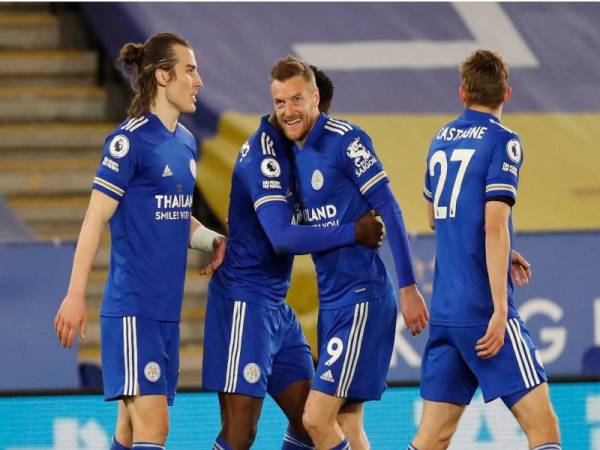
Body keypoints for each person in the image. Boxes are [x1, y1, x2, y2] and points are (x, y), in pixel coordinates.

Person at [54, 33, 226, 450]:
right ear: (163, 76)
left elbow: (173, 212)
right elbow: (95, 219)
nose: (199, 80)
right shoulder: (127, 140)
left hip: (165, 312)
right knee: (155, 427)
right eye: (189, 70)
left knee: (129, 433)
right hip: (133, 310)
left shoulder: (185, 143)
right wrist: (75, 295)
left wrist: (211, 239)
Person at [203, 65, 384, 450]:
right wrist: (355, 231)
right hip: (244, 302)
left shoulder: (301, 155)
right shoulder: (265, 155)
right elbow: (282, 237)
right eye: (284, 104)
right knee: (240, 434)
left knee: (310, 425)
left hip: (276, 307)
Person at [270, 56, 429, 450]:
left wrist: (409, 287)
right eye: (279, 103)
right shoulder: (288, 156)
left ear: (315, 98)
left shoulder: (347, 140)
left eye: (296, 100)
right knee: (347, 424)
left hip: (362, 298)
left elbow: (390, 207)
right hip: (333, 303)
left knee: (315, 417)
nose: (288, 111)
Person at [409, 49, 560, 450]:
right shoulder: (504, 141)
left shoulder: (440, 139)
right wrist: (499, 311)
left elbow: (435, 218)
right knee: (544, 431)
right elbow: (494, 226)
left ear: (462, 93)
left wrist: (499, 248)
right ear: (506, 94)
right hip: (482, 312)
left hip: (445, 313)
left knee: (431, 439)